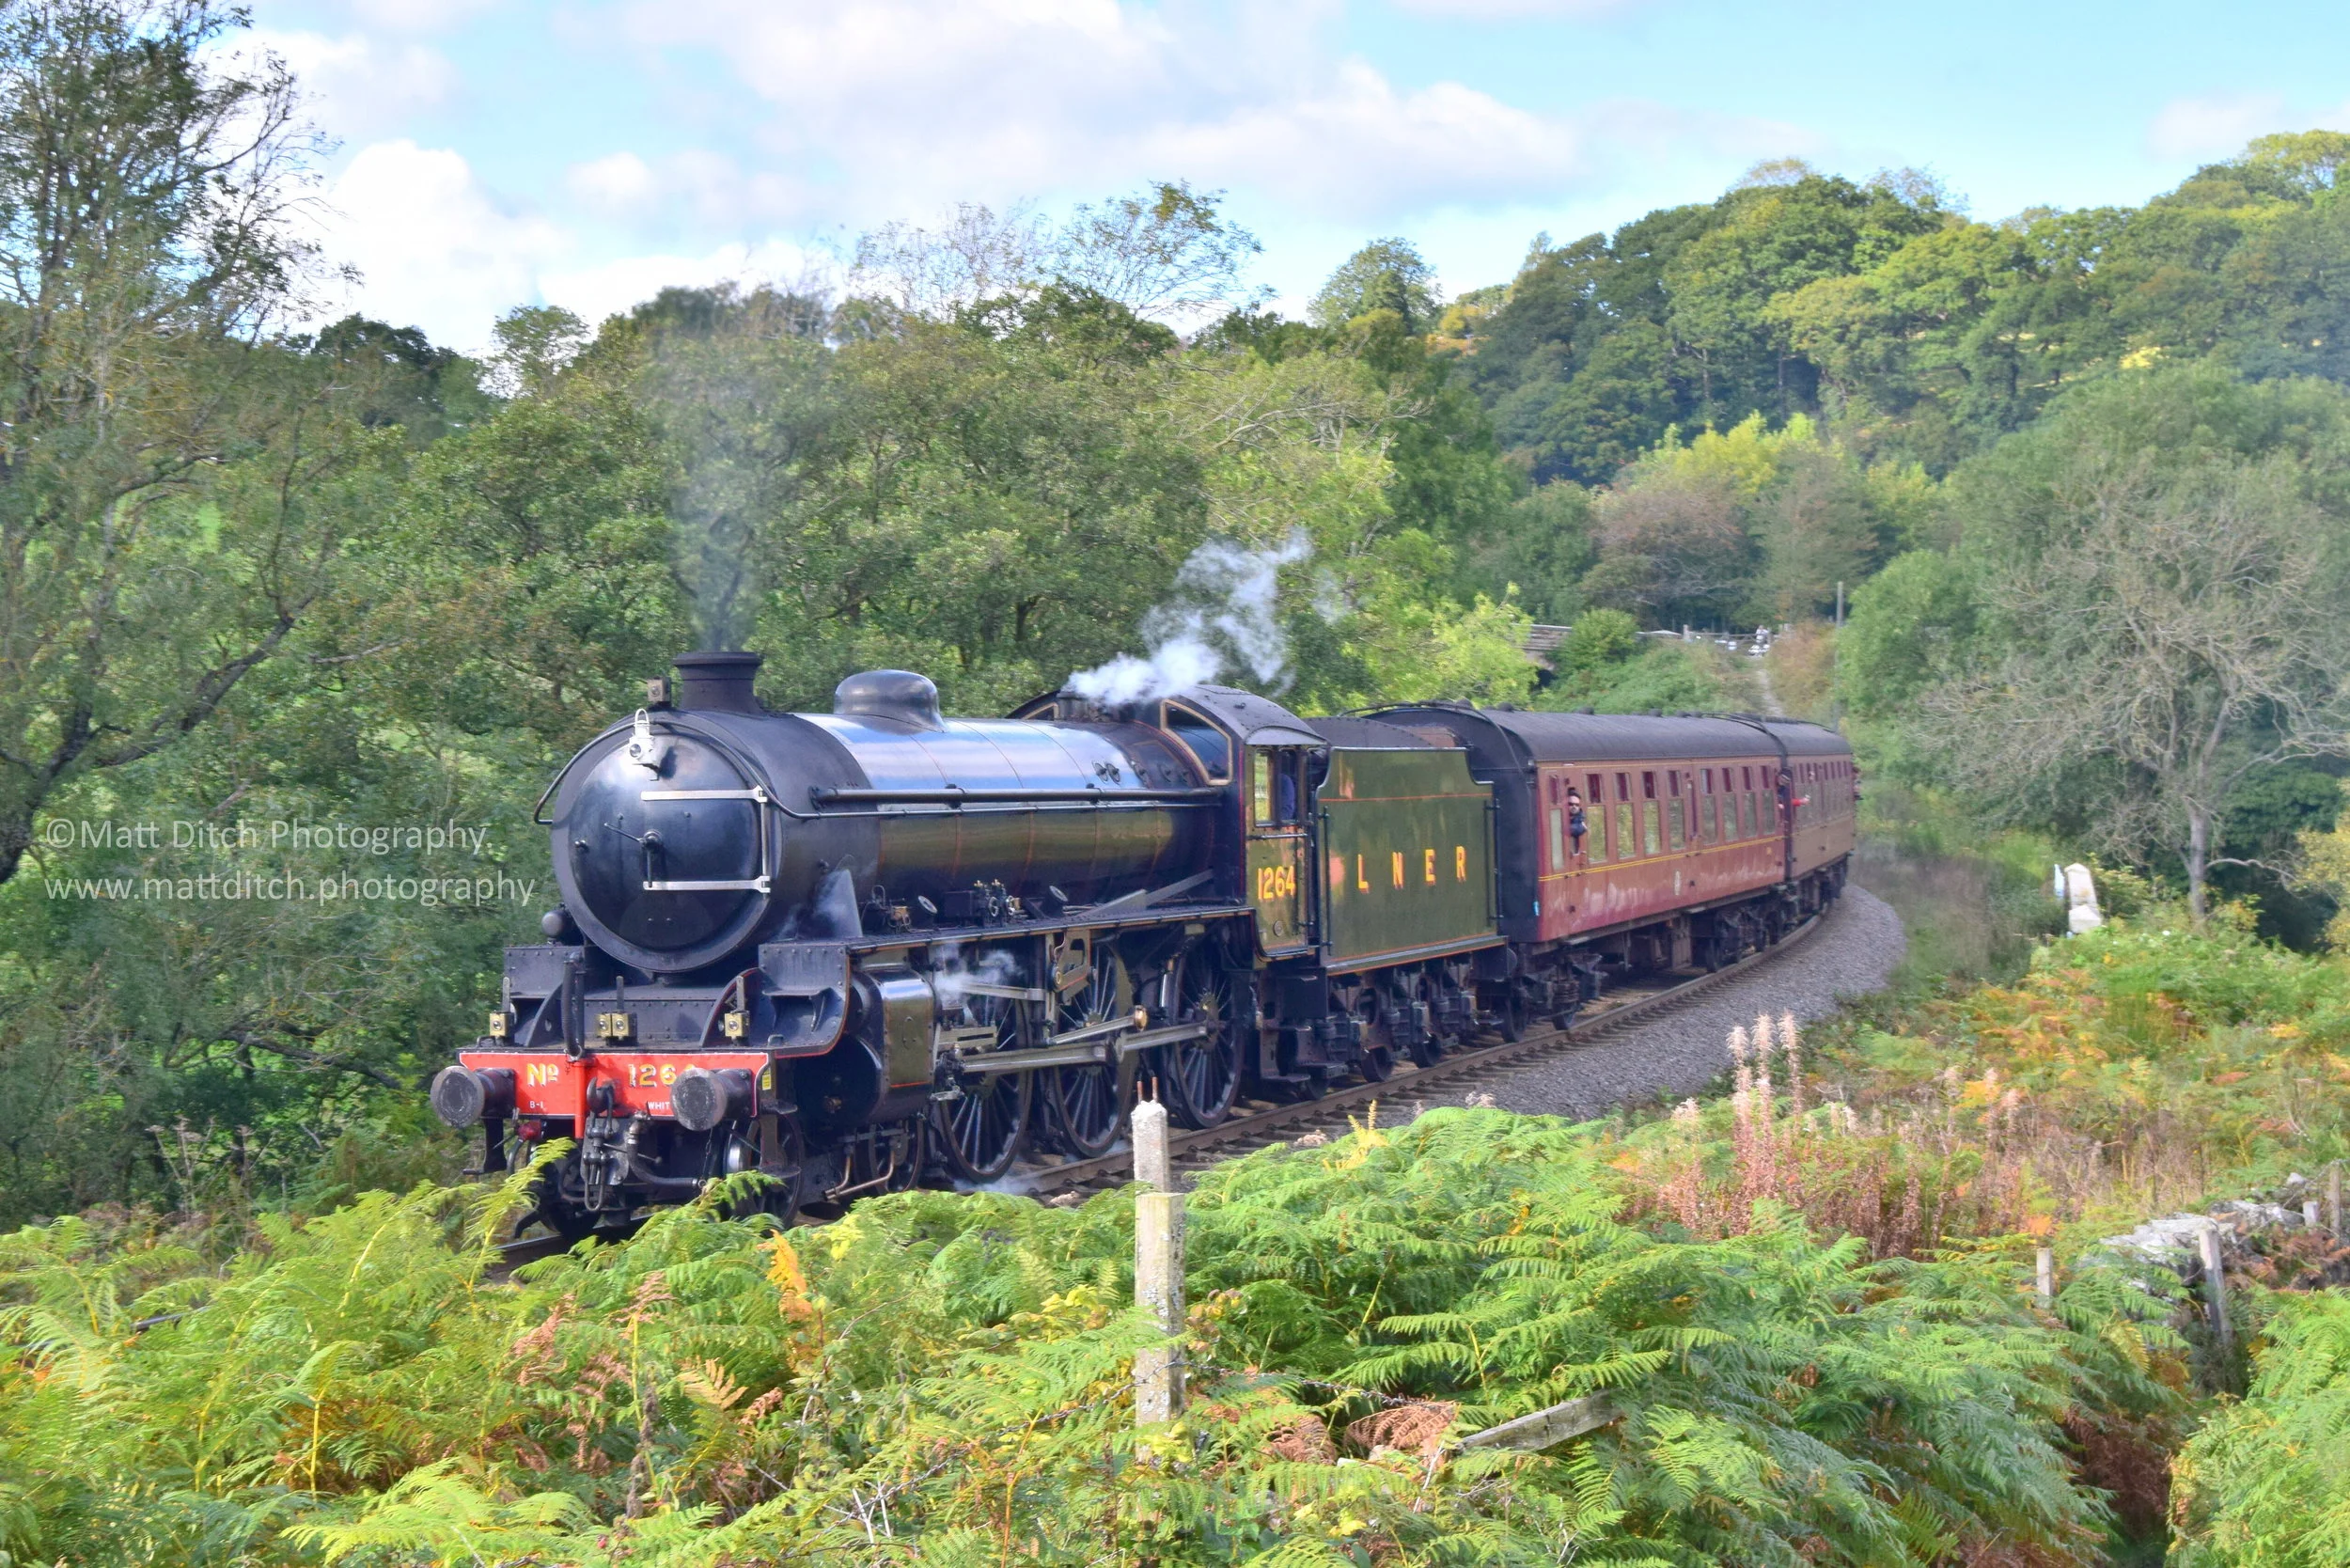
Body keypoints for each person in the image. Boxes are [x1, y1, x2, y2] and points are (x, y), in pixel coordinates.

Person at [1565, 788, 1588, 860]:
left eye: (1577, 805)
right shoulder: (1562, 816)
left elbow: (1581, 829)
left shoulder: (1580, 817)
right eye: (1571, 804)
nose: (1574, 807)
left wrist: (1567, 829)